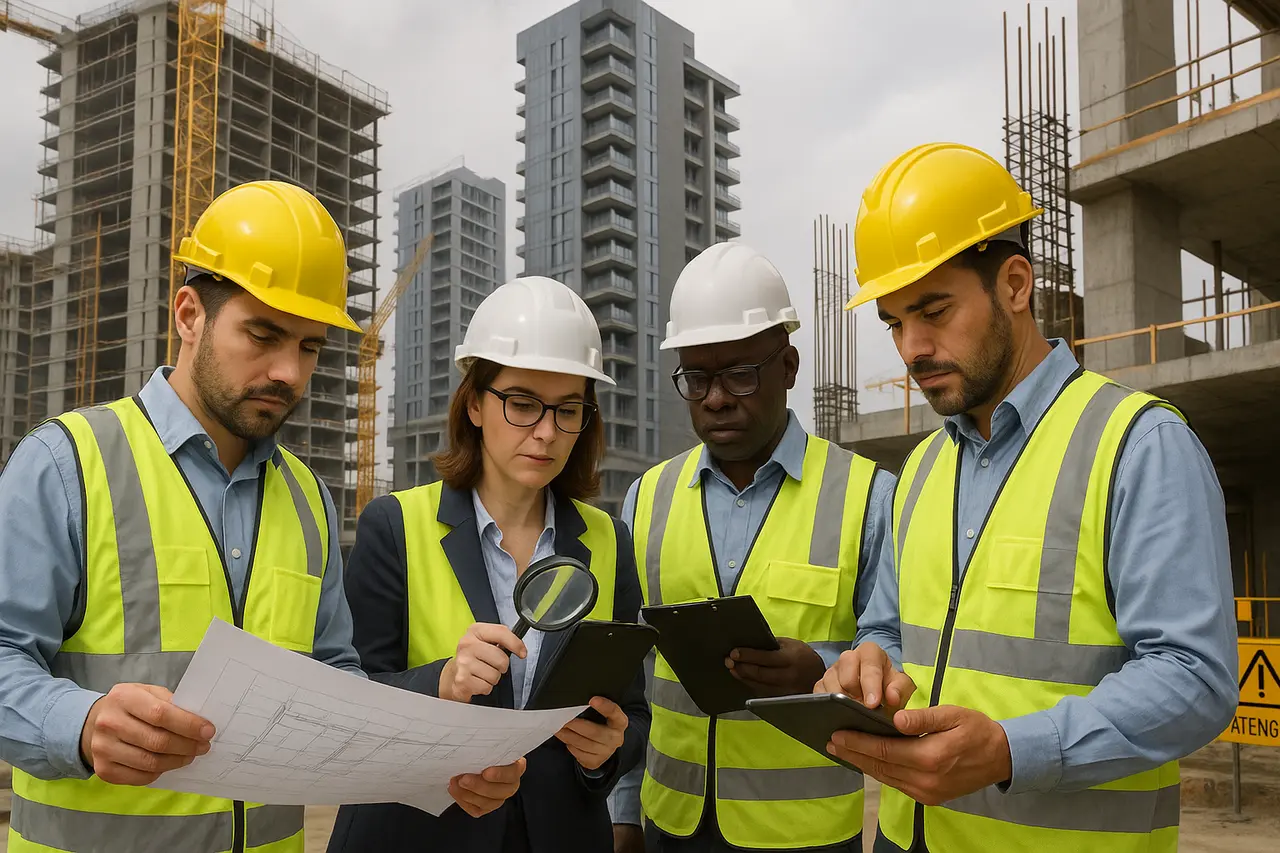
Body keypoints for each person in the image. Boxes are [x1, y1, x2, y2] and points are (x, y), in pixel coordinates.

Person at [0, 180, 523, 853]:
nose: (288, 372)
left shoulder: (308, 498)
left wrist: (436, 763)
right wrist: (79, 720)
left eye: (309, 347)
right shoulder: (67, 464)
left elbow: (335, 687)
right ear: (188, 314)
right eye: (263, 334)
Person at [820, 142, 1239, 852]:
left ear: (1015, 284)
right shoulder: (920, 470)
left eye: (933, 310)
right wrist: (870, 658)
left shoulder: (1138, 445)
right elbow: (889, 628)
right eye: (894, 321)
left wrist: (1013, 750)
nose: (910, 348)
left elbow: (1194, 677)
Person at [326, 275, 650, 853]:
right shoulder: (394, 527)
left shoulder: (608, 540)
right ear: (475, 403)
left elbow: (630, 712)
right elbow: (355, 705)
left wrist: (610, 753)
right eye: (522, 403)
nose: (547, 432)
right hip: (419, 837)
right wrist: (442, 682)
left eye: (568, 409)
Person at [609, 242, 896, 853]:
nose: (715, 397)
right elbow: (630, 677)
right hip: (672, 820)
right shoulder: (646, 499)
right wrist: (625, 810)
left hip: (805, 832)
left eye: (739, 372)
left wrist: (820, 668)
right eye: (697, 377)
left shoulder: (868, 497)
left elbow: (897, 652)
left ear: (789, 366)